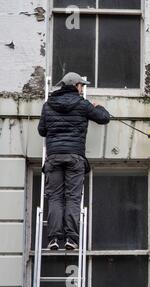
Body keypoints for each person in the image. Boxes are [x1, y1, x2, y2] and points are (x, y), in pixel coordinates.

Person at [38, 72, 110, 250]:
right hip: (75, 157)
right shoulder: (82, 104)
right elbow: (104, 118)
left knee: (54, 198)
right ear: (76, 86)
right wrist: (98, 106)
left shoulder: (48, 105)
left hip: (54, 157)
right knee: (73, 198)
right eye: (82, 86)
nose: (83, 89)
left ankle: (53, 238)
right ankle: (71, 238)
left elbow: (42, 131)